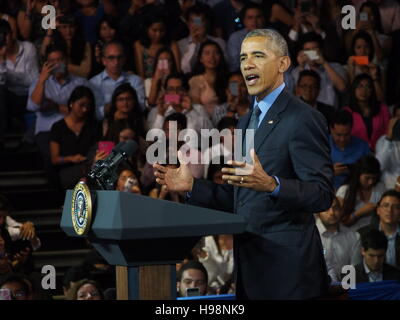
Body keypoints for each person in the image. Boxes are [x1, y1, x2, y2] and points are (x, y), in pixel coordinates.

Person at [154, 29, 334, 299]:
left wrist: (273, 185)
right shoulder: (247, 120)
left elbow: (322, 194)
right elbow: (242, 197)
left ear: (283, 64)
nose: (247, 64)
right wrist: (192, 185)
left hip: (290, 273)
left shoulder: (303, 118)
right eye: (243, 57)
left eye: (258, 56)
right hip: (251, 268)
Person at [27, 44, 93, 186]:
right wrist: (42, 80)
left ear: (67, 60)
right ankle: (57, 193)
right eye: (52, 60)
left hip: (74, 128)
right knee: (51, 157)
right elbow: (34, 105)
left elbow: (88, 108)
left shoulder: (80, 83)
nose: (57, 64)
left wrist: (56, 106)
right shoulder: (39, 82)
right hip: (47, 130)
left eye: (60, 59)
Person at [49, 85, 101, 189]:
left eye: (88, 106)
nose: (85, 109)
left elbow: (97, 149)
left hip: (90, 168)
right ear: (71, 103)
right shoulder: (58, 127)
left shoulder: (94, 125)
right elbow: (55, 159)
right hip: (67, 170)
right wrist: (71, 158)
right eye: (81, 105)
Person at [89, 41, 145, 119]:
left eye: (119, 57)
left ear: (124, 59)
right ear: (104, 60)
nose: (116, 62)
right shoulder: (93, 83)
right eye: (111, 58)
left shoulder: (135, 80)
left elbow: (141, 107)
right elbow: (92, 112)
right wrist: (109, 109)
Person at [0, 19, 39, 131]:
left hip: (29, 95)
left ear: (11, 34)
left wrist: (10, 75)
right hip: (8, 98)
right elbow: (1, 82)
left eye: (5, 34)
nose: (4, 39)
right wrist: (2, 60)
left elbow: (32, 80)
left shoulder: (28, 48)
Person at [291, 32, 347, 108]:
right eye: (307, 50)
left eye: (314, 49)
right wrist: (302, 67)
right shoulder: (296, 71)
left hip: (331, 113)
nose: (311, 54)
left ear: (321, 50)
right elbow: (297, 96)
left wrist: (324, 63)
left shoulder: (335, 67)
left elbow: (342, 88)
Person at [316, 197, 362, 283]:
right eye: (326, 208)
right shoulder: (309, 236)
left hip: (344, 290)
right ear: (318, 212)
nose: (332, 213)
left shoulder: (354, 237)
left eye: (336, 208)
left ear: (341, 211)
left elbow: (353, 269)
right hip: (316, 289)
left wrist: (344, 290)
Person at [336, 155, 386, 231]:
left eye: (374, 178)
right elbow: (340, 222)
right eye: (367, 178)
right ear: (358, 175)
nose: (371, 182)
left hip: (374, 233)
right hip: (350, 234)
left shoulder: (380, 188)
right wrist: (359, 213)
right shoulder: (344, 190)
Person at [343, 73, 390, 151]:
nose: (363, 91)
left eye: (368, 87)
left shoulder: (383, 109)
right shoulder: (347, 111)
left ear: (372, 90)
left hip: (381, 153)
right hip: (356, 154)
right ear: (354, 89)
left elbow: (388, 133)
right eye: (360, 86)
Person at [179, 4, 227, 74]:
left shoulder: (219, 42)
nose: (197, 26)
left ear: (207, 22)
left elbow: (225, 66)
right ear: (188, 23)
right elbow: (184, 69)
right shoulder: (181, 44)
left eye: (200, 21)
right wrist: (194, 44)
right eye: (193, 21)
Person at [329, 109, 371, 190]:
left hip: (356, 190)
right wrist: (329, 172)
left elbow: (371, 170)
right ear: (331, 129)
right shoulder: (321, 145)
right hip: (329, 190)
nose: (342, 139)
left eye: (346, 134)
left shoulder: (362, 146)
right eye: (338, 135)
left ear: (351, 129)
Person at [358, 190, 400, 268]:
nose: (390, 210)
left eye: (396, 207)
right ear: (378, 210)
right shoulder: (362, 234)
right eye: (386, 205)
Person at [41, 14, 92, 79]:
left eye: (71, 27)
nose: (68, 31)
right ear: (59, 28)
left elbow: (85, 72)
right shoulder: (54, 43)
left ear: (76, 27)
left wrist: (60, 65)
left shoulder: (85, 45)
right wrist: (50, 28)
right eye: (64, 27)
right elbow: (43, 54)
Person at [188, 40, 229, 116]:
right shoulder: (195, 81)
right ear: (201, 58)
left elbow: (235, 102)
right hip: (205, 122)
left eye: (216, 53)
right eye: (207, 53)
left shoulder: (229, 79)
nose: (212, 57)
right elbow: (197, 108)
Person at [227, 3, 266, 72]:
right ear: (244, 21)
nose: (254, 21)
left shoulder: (274, 35)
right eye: (250, 18)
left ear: (263, 18)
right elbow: (234, 66)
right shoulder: (235, 38)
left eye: (258, 17)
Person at [375, 104, 400, 190]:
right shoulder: (383, 140)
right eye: (397, 117)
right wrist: (389, 139)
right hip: (388, 188)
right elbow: (380, 165)